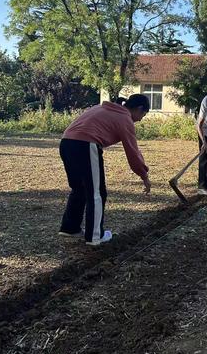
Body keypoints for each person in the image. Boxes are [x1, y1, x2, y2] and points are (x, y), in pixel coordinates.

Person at [59, 95, 151, 246]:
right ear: (139, 109)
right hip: (85, 145)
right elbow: (132, 152)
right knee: (97, 193)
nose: (140, 119)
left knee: (79, 188)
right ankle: (95, 237)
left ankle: (70, 228)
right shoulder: (124, 118)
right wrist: (144, 175)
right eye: (143, 115)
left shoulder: (101, 108)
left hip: (66, 143)